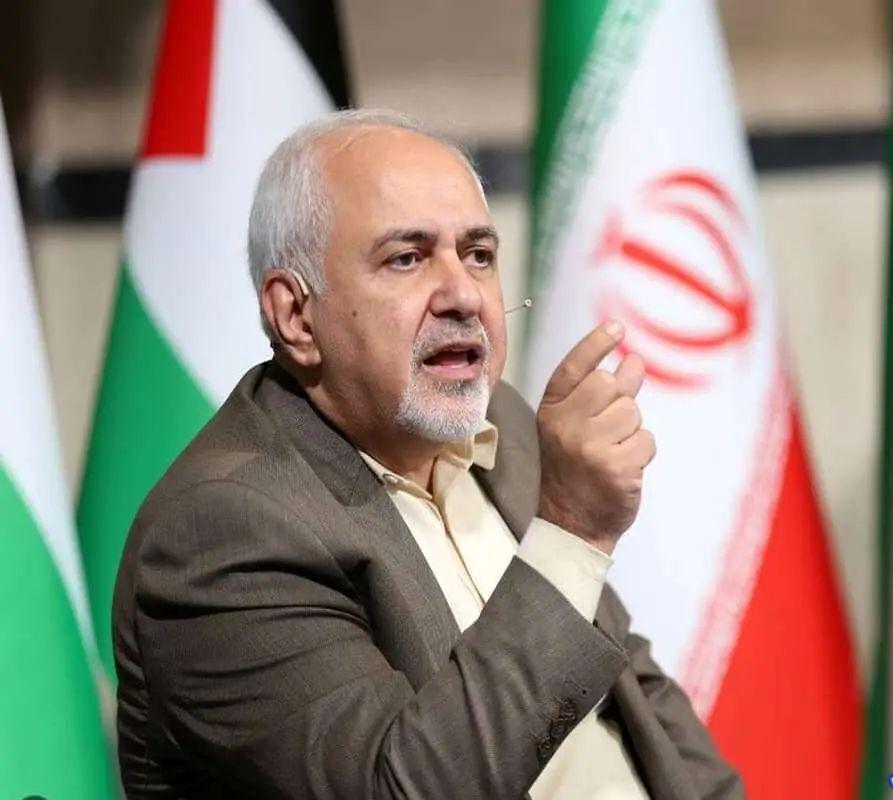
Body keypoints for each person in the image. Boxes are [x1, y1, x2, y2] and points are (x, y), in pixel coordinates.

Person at [112, 109, 744, 800]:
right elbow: (400, 788)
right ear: (296, 316)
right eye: (407, 258)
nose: (464, 295)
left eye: (478, 255)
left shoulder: (503, 423)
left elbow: (635, 692)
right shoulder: (222, 534)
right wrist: (571, 532)